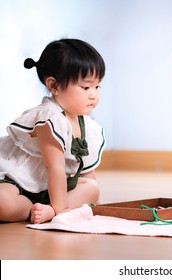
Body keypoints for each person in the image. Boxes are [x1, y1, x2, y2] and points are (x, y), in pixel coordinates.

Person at [0, 38, 106, 224]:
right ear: (54, 86)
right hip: (20, 182)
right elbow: (54, 166)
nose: (94, 95)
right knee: (3, 202)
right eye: (86, 87)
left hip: (54, 189)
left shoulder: (87, 125)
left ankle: (50, 209)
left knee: (92, 187)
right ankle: (34, 208)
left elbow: (87, 170)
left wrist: (94, 202)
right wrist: (63, 209)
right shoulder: (48, 119)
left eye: (97, 87)